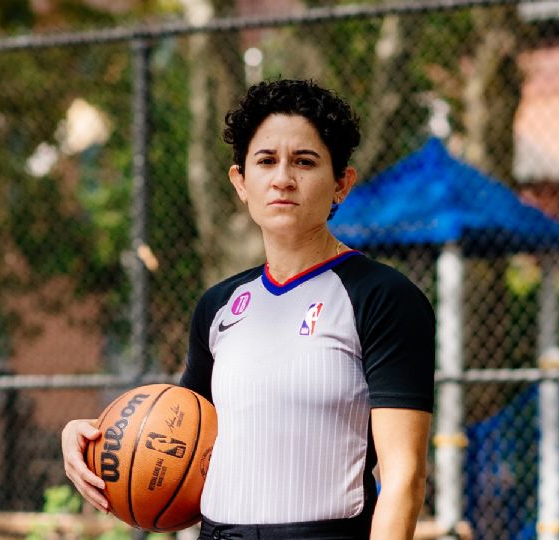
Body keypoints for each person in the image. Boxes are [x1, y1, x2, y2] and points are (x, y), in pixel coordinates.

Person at [62, 79, 435, 540]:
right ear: (240, 181)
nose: (282, 178)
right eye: (265, 161)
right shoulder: (218, 307)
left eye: (304, 161)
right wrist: (92, 437)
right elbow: (180, 435)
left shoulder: (381, 297)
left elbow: (404, 478)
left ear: (341, 182)